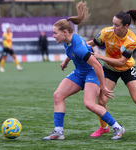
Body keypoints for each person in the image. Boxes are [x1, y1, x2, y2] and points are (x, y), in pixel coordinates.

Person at [43, 1, 125, 140]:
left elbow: (97, 66)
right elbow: (72, 52)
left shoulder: (78, 47)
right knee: (58, 95)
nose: (53, 36)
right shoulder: (67, 40)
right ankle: (58, 132)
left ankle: (118, 127)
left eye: (54, 33)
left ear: (64, 32)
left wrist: (103, 87)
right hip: (80, 72)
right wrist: (66, 61)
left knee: (89, 104)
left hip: (92, 73)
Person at [87, 9, 136, 137]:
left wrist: (100, 57)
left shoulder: (131, 39)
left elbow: (121, 62)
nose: (113, 27)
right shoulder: (106, 32)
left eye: (117, 25)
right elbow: (94, 43)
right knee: (101, 101)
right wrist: (80, 46)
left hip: (127, 69)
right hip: (110, 70)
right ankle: (104, 128)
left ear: (126, 26)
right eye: (113, 23)